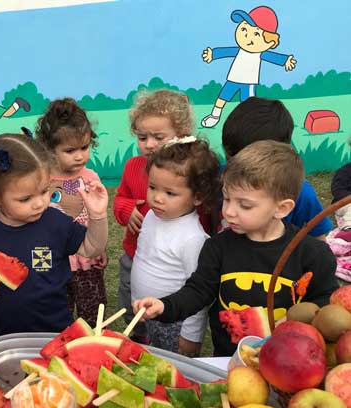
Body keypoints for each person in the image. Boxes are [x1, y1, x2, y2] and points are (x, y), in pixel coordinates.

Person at [133, 141, 339, 356]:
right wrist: (165, 306)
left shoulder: (312, 254)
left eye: (245, 205)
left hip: (290, 356)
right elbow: (198, 291)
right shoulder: (218, 246)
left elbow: (326, 301)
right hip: (227, 356)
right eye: (227, 198)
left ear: (282, 208)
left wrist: (296, 320)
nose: (229, 212)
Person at [0, 134, 108, 336]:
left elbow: (92, 248)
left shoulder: (55, 222)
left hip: (57, 330)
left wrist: (98, 215)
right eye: (26, 198)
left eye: (45, 191)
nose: (40, 203)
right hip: (6, 332)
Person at [113, 89, 195, 343]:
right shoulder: (133, 166)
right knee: (130, 298)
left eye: (158, 137)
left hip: (170, 261)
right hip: (135, 251)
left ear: (180, 135)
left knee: (166, 307)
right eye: (142, 137)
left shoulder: (187, 170)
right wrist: (128, 211)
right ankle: (138, 334)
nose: (148, 144)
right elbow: (120, 199)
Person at [132, 137, 220, 356]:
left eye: (170, 193)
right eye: (152, 187)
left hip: (175, 323)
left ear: (198, 197)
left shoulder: (193, 239)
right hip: (151, 313)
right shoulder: (152, 215)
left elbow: (198, 295)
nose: (157, 198)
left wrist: (191, 336)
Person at [36, 98, 108, 327]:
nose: (79, 156)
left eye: (84, 148)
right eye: (70, 150)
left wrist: (101, 248)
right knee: (56, 313)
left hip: (86, 257)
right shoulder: (40, 180)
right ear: (49, 148)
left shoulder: (90, 178)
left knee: (94, 312)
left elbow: (96, 217)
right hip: (53, 259)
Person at [221, 97, 332, 240]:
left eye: (245, 205)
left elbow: (318, 241)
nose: (235, 171)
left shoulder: (301, 193)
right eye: (230, 159)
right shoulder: (217, 176)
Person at [200, 6, 296, 128]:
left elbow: (273, 57)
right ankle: (214, 116)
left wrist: (285, 60)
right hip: (233, 79)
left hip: (249, 82)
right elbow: (226, 51)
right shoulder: (239, 50)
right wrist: (212, 54)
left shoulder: (260, 54)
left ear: (271, 42)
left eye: (256, 33)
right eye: (244, 29)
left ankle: (248, 123)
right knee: (222, 98)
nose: (247, 36)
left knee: (248, 105)